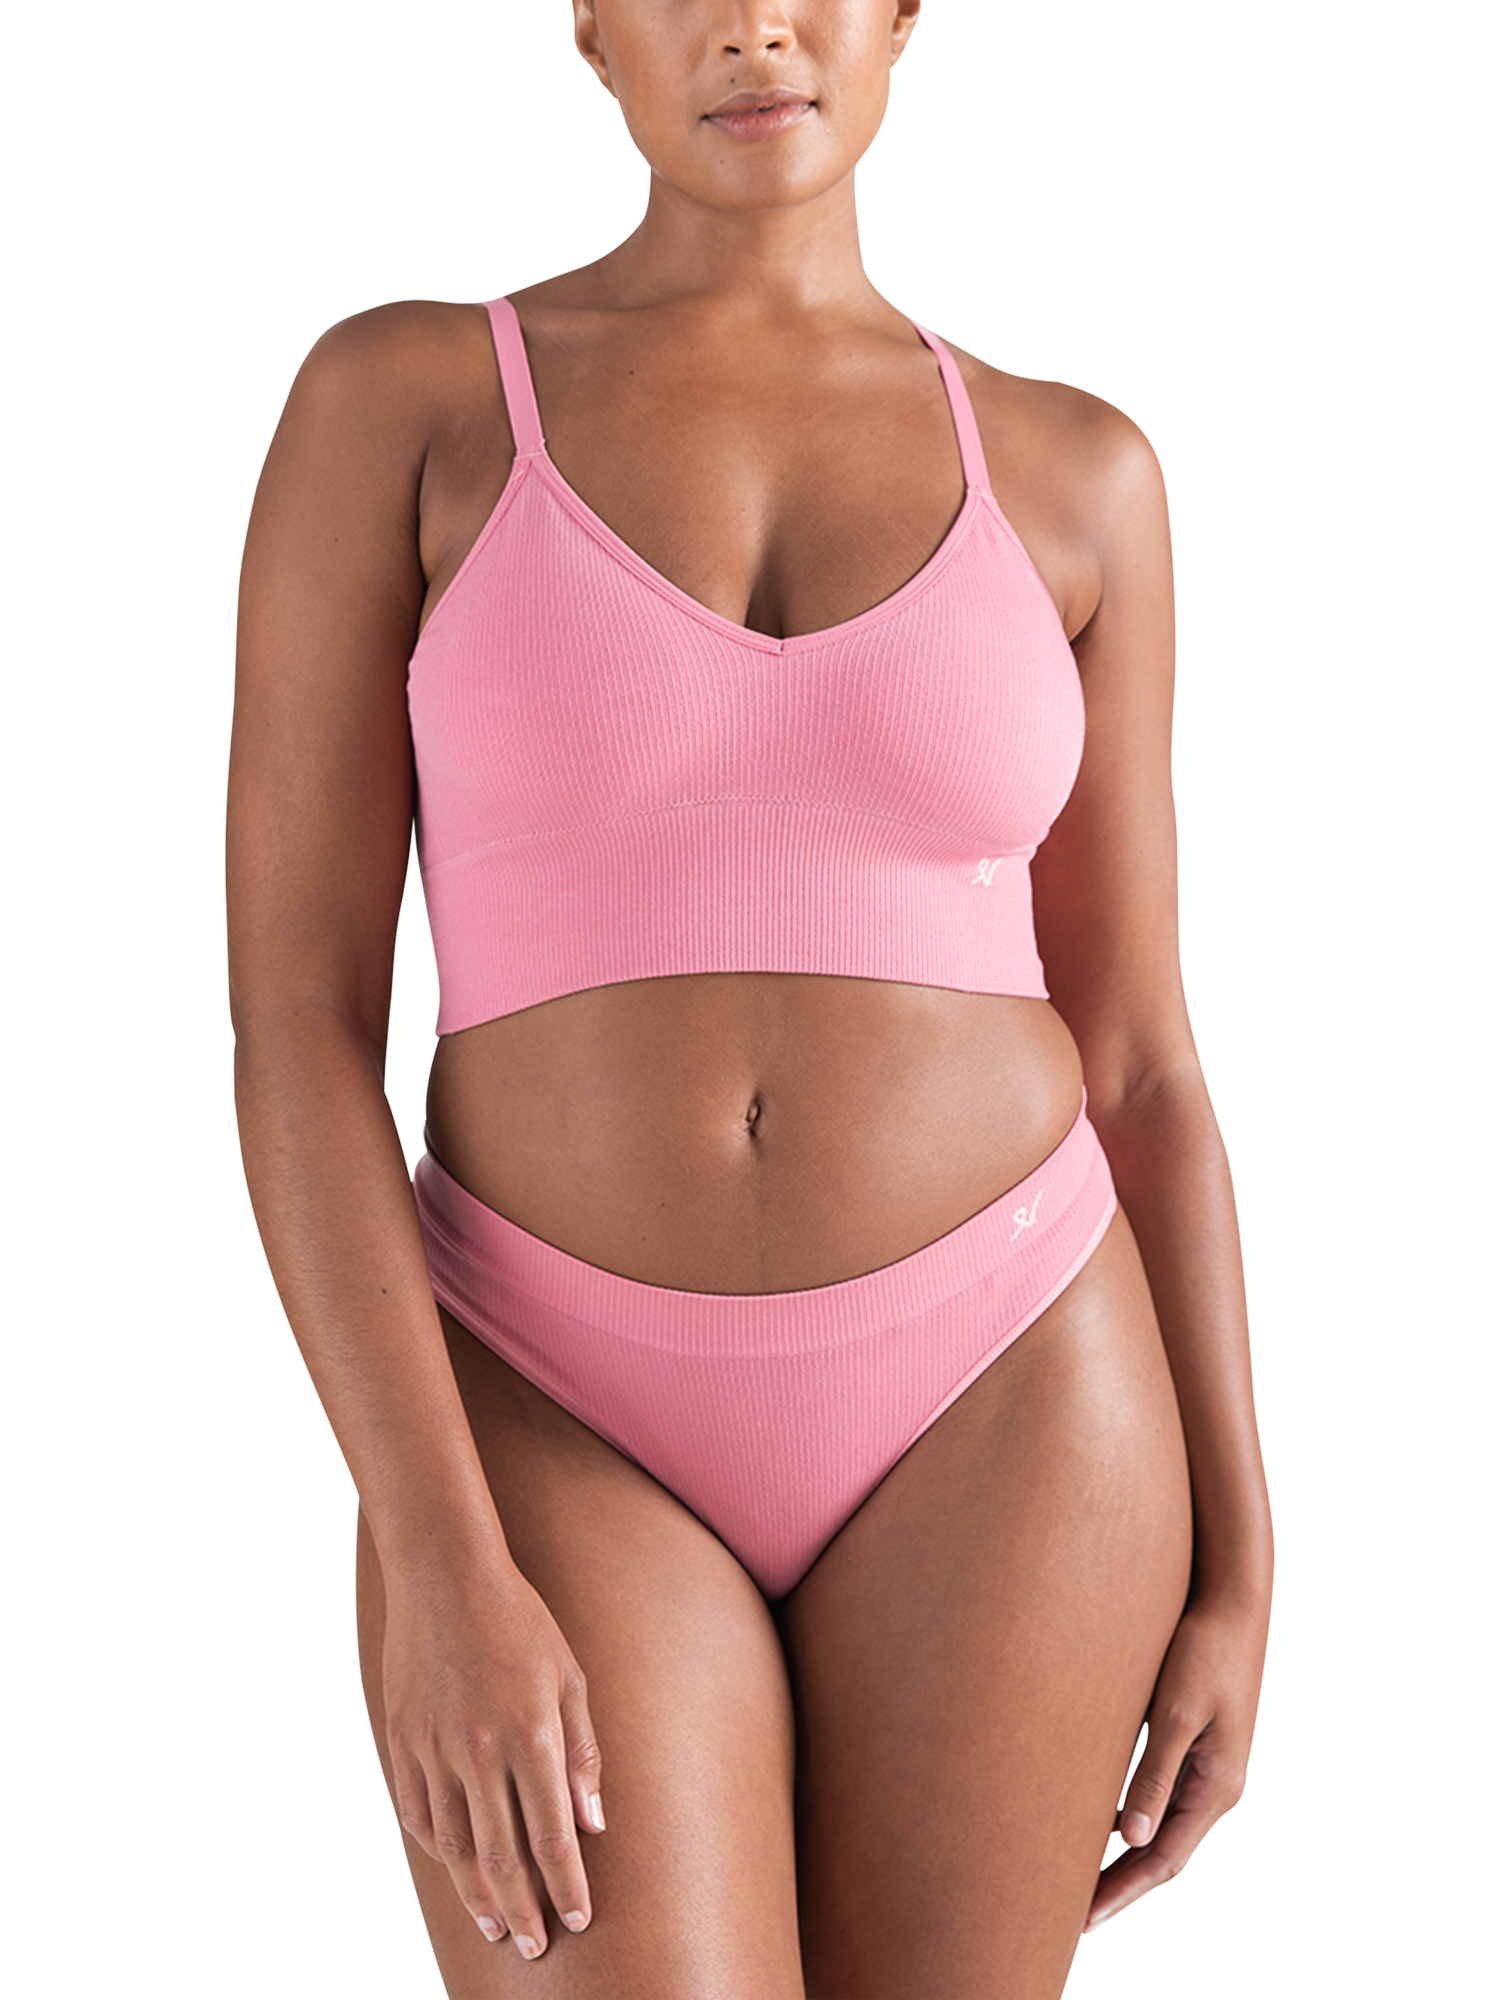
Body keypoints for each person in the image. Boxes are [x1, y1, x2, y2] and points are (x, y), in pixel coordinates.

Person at [227, 3, 1273, 1994]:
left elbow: (1142, 1053)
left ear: (902, 18)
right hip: (544, 1391)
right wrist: (434, 1552)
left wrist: (1247, 1550)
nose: (754, 25)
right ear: (591, 27)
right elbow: (294, 1026)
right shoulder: (406, 403)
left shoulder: (1079, 470)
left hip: (1011, 1385)